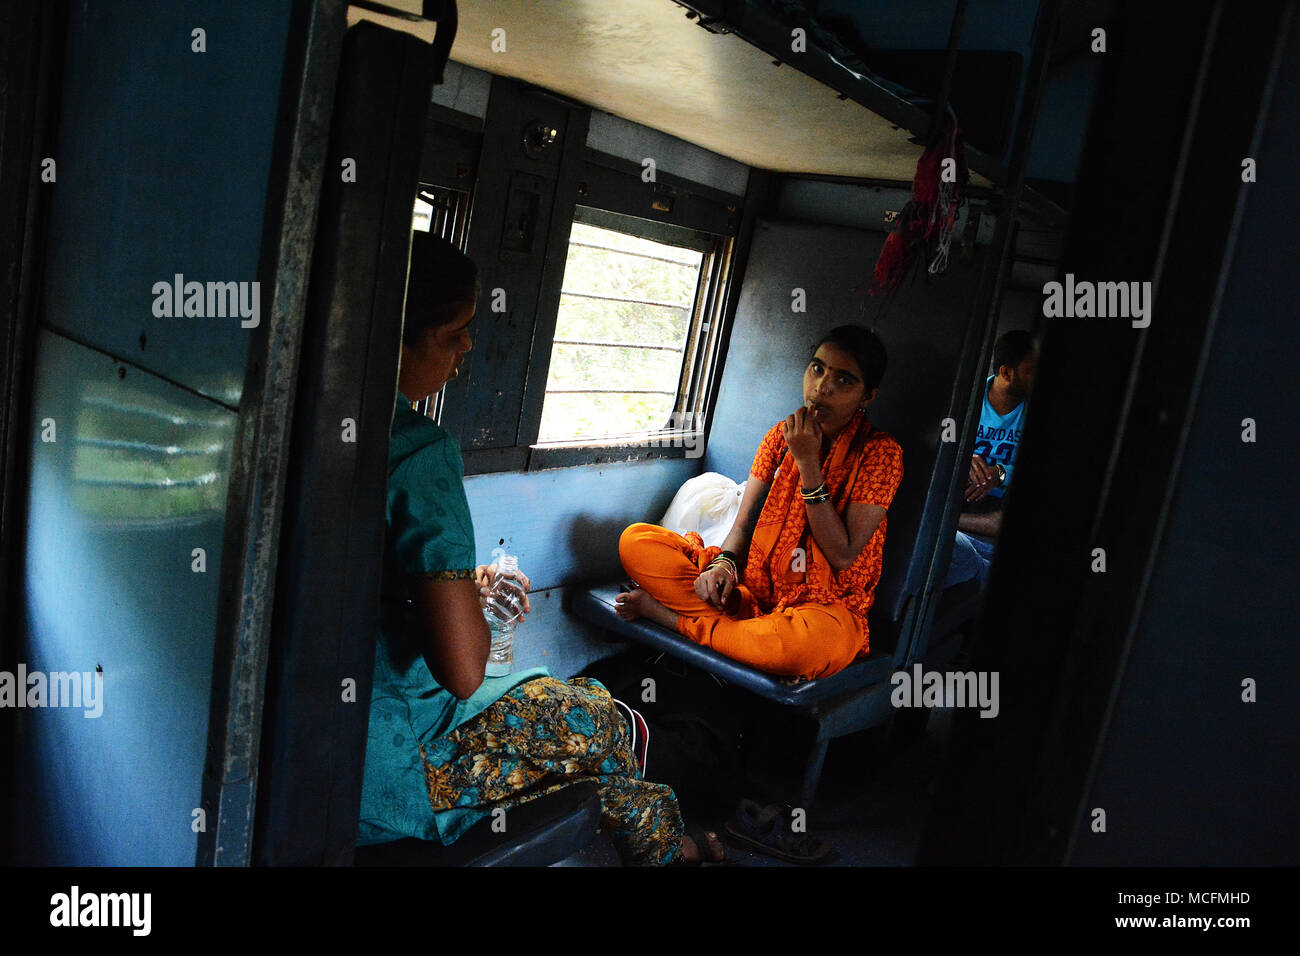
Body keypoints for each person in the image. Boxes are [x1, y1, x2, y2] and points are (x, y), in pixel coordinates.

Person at [358, 231, 700, 865]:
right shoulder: (417, 453)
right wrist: (478, 611)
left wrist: (455, 588)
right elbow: (462, 673)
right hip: (397, 766)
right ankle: (668, 850)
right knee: (598, 717)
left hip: (329, 734)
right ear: (389, 336)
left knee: (574, 706)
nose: (465, 349)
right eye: (451, 333)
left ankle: (663, 842)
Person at [616, 326, 904, 681]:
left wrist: (808, 464)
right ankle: (742, 635)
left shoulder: (881, 454)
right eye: (817, 369)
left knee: (805, 647)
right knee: (636, 541)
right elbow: (743, 526)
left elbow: (842, 554)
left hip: (822, 606)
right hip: (752, 590)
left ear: (867, 396)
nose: (822, 387)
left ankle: (670, 618)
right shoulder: (778, 437)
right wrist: (723, 567)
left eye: (843, 380)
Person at [945, 329, 1037, 587]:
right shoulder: (964, 399)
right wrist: (962, 457)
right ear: (1006, 373)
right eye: (1031, 371)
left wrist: (1001, 473)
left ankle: (955, 530)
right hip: (953, 497)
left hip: (997, 508)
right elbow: (935, 446)